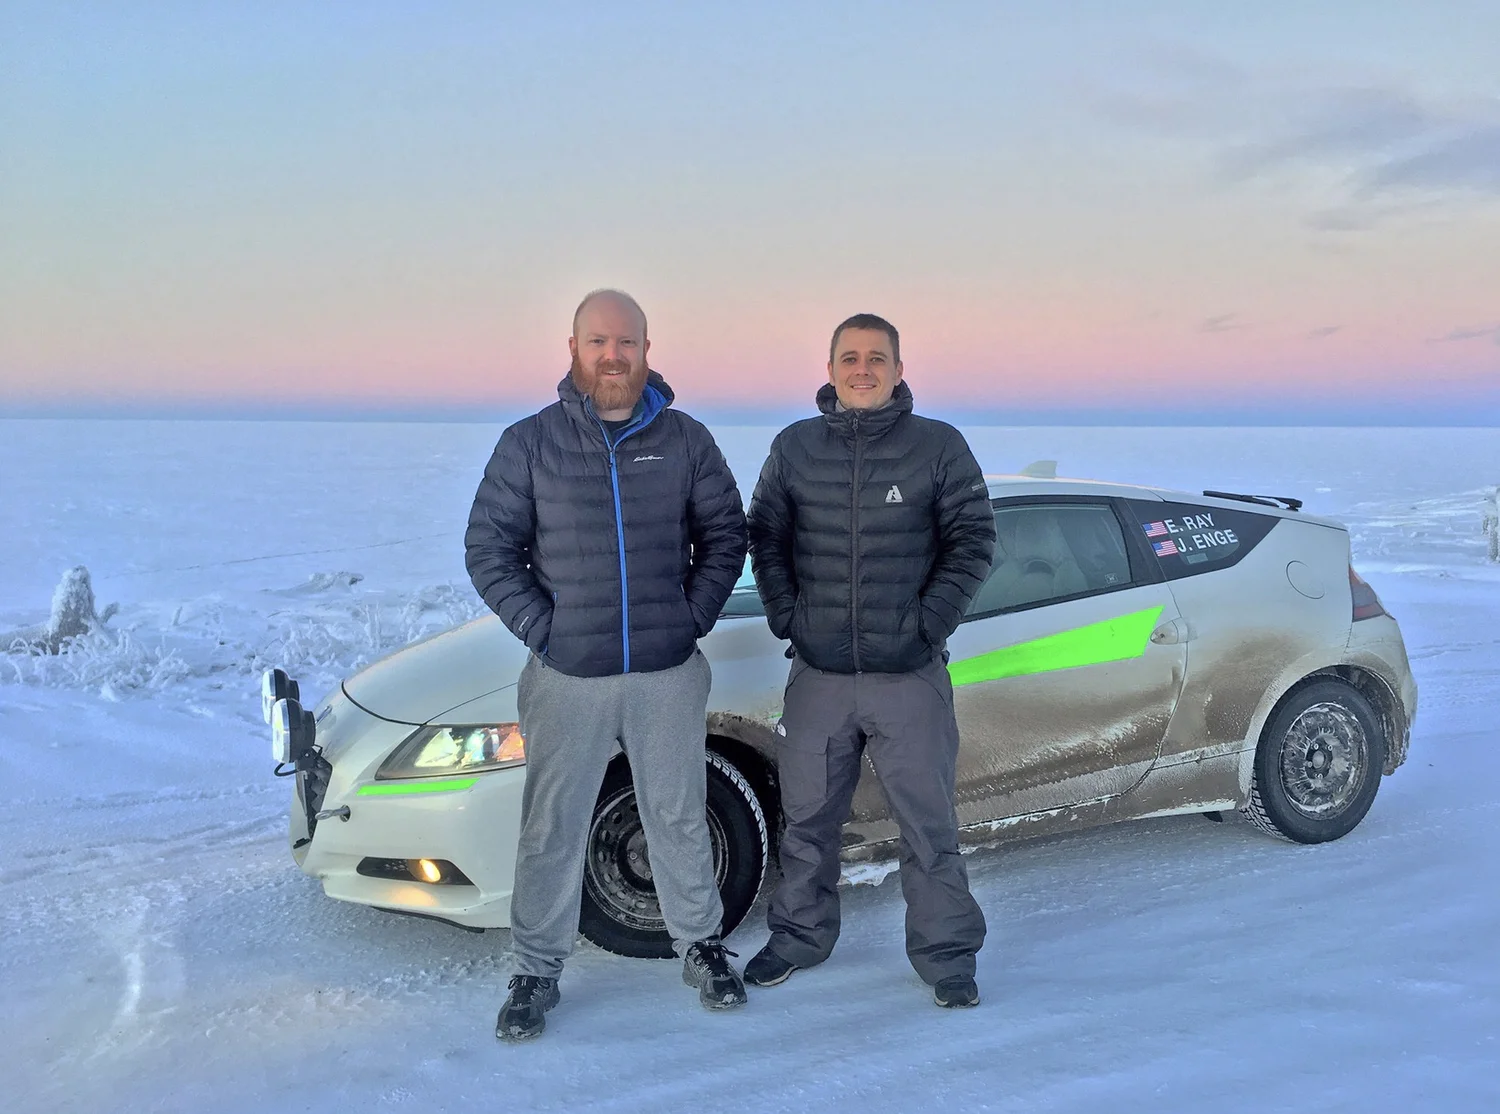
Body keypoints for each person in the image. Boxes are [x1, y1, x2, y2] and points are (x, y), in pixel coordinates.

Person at [465, 289, 750, 1041]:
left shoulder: (685, 440)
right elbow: (489, 549)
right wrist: (543, 629)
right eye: (599, 342)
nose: (613, 356)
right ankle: (535, 969)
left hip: (666, 673)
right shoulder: (531, 443)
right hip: (568, 678)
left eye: (626, 342)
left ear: (647, 350)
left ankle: (701, 946)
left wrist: (689, 620)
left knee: (679, 815)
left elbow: (726, 534)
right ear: (574, 349)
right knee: (551, 827)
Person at [743, 313, 997, 1008]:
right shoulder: (795, 447)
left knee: (928, 824)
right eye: (850, 357)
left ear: (898, 369)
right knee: (808, 821)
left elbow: (973, 539)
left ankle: (947, 955)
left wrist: (927, 625)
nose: (863, 369)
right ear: (830, 370)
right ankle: (799, 936)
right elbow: (765, 534)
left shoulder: (937, 446)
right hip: (819, 676)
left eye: (876, 358)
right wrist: (789, 616)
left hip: (908, 675)